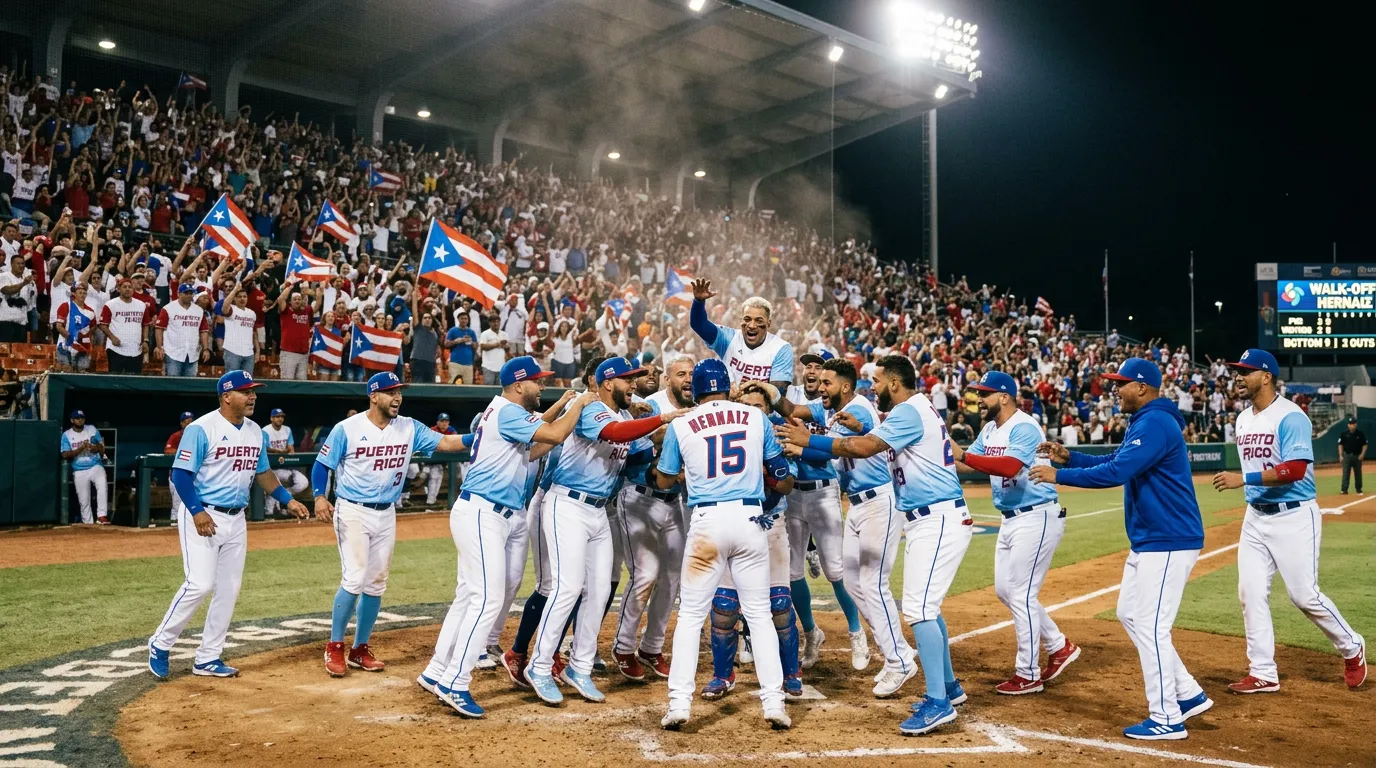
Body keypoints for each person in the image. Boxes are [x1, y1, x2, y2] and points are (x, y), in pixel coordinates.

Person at [777, 354, 970, 736]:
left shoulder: (907, 411)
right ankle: (948, 687)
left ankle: (937, 702)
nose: (874, 387)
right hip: (925, 516)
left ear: (894, 383)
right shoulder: (913, 409)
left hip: (937, 516)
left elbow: (864, 446)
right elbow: (864, 432)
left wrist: (807, 439)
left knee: (918, 609)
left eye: (878, 381)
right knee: (920, 604)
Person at [1029, 358, 1211, 741]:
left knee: (1150, 625)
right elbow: (1115, 460)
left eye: (1121, 383)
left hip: (1168, 538)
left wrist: (1059, 475)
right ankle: (1189, 693)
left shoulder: (1156, 422)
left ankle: (1167, 717)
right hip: (1152, 539)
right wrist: (1071, 458)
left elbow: (1115, 473)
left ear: (1142, 388)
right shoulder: (1145, 421)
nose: (1115, 389)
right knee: (1129, 613)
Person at [422, 357, 594, 718]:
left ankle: (437, 669)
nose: (541, 387)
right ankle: (455, 682)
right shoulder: (508, 412)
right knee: (485, 600)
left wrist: (563, 404)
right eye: (536, 382)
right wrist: (580, 402)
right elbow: (557, 435)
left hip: (483, 512)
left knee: (469, 596)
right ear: (519, 385)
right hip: (484, 513)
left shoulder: (504, 411)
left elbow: (535, 446)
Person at [526, 357, 686, 705]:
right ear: (608, 382)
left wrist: (669, 453)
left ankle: (579, 667)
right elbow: (613, 434)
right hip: (566, 504)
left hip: (600, 510)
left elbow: (641, 458)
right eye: (628, 379)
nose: (634, 385)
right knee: (566, 588)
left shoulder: (628, 416)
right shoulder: (590, 408)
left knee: (598, 592)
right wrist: (661, 418)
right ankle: (539, 666)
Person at [1211, 349, 1366, 693]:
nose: (1238, 377)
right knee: (1249, 592)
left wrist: (1245, 479)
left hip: (1294, 515)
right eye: (1237, 371)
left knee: (1304, 596)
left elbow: (1295, 470)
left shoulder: (1290, 416)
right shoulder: (1243, 418)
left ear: (1266, 376)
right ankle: (1263, 671)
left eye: (1246, 371)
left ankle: (1352, 647)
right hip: (1256, 518)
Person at [654, 358, 792, 731]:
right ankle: (774, 703)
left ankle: (680, 704)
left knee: (690, 618)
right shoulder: (755, 416)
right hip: (750, 520)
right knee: (759, 615)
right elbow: (781, 475)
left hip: (707, 523)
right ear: (726, 385)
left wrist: (684, 472)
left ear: (695, 389)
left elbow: (664, 480)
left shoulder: (681, 424)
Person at [148, 371, 309, 680]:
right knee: (200, 583)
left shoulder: (254, 432)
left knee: (229, 589)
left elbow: (262, 472)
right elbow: (180, 474)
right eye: (246, 391)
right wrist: (195, 511)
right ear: (226, 396)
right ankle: (161, 642)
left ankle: (208, 657)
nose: (253, 397)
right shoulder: (201, 428)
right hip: (203, 513)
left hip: (236, 519)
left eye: (254, 391)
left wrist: (287, 499)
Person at [312, 372, 472, 678]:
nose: (397, 397)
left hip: (386, 512)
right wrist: (319, 497)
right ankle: (334, 646)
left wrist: (477, 436)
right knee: (354, 578)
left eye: (399, 392)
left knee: (376, 583)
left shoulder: (408, 427)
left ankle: (360, 647)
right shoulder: (348, 428)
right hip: (353, 510)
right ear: (373, 396)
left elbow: (447, 442)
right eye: (390, 392)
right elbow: (323, 464)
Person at [952, 371, 1080, 695]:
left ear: (1005, 396)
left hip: (1036, 515)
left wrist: (962, 454)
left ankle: (1028, 673)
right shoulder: (991, 429)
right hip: (1011, 518)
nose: (979, 399)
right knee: (1005, 590)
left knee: (1021, 593)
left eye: (985, 393)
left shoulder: (1024, 426)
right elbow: (971, 463)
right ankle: (1059, 646)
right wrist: (943, 457)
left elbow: (1009, 467)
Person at [700, 385, 802, 699]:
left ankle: (790, 673)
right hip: (734, 524)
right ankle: (722, 674)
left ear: (768, 410)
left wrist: (765, 474)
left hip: (770, 523)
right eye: (746, 405)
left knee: (780, 606)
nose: (752, 410)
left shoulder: (778, 434)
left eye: (759, 405)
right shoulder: (723, 436)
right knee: (724, 607)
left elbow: (787, 484)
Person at [611, 357, 695, 682]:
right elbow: (626, 455)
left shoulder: (699, 408)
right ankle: (623, 646)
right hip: (639, 497)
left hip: (675, 502)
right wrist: (661, 436)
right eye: (681, 374)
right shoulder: (649, 407)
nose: (687, 379)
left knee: (674, 577)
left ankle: (651, 647)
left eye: (691, 374)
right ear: (667, 379)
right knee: (645, 575)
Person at [688, 278, 793, 390]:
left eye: (759, 320)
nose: (752, 325)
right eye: (747, 319)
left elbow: (778, 393)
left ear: (769, 323)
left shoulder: (781, 348)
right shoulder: (728, 338)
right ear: (741, 320)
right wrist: (698, 303)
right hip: (728, 405)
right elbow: (699, 324)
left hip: (761, 406)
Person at [61, 409, 107, 524]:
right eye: (77, 418)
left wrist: (94, 448)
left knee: (102, 485)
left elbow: (101, 448)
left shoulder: (91, 429)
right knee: (84, 500)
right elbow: (65, 454)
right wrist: (81, 448)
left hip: (95, 465)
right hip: (79, 469)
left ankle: (102, 516)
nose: (80, 420)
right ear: (72, 420)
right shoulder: (67, 434)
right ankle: (88, 524)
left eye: (82, 418)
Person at [155, 283, 210, 377]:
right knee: (172, 382)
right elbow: (159, 328)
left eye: (191, 293)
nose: (189, 295)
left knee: (190, 385)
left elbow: (203, 331)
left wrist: (205, 349)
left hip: (192, 353)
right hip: (173, 353)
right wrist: (159, 347)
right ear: (179, 294)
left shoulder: (199, 311)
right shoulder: (168, 308)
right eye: (186, 293)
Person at [263, 408, 308, 518]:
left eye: (282, 417)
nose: (280, 419)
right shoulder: (265, 430)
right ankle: (270, 512)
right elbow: (265, 449)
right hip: (270, 468)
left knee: (303, 482)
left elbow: (291, 448)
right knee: (274, 484)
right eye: (277, 417)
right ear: (271, 418)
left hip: (285, 467)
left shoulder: (287, 429)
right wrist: (279, 451)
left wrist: (289, 452)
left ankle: (282, 500)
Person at [99, 278, 150, 375]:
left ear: (133, 289)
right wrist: (112, 337)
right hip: (116, 349)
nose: (127, 289)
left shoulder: (141, 305)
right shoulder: (110, 305)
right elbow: (102, 324)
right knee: (115, 379)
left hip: (136, 349)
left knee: (134, 381)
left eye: (130, 287)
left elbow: (145, 324)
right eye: (124, 287)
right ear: (118, 289)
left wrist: (146, 340)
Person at [163, 411, 194, 523]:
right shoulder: (176, 436)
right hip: (176, 473)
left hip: (193, 473)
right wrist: (184, 452)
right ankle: (173, 523)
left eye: (191, 421)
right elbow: (167, 450)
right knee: (177, 501)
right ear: (182, 424)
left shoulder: (196, 436)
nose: (189, 424)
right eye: (186, 422)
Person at [444, 311, 477, 384]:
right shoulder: (452, 330)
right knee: (453, 385)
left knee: (468, 387)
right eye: (462, 318)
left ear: (468, 320)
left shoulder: (471, 332)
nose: (464, 320)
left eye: (466, 319)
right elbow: (445, 344)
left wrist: (471, 342)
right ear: (458, 319)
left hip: (468, 364)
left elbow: (475, 346)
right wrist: (456, 341)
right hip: (455, 363)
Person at [1338, 415, 1367, 495]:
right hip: (1347, 456)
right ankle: (1344, 490)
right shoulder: (1344, 434)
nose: (1352, 425)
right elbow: (1340, 445)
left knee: (1358, 474)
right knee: (1345, 473)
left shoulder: (1360, 434)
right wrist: (1340, 455)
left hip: (1357, 456)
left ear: (1356, 424)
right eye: (1350, 424)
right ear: (1348, 425)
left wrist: (1362, 454)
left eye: (1353, 424)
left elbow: (1364, 445)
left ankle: (1359, 489)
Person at [478, 312, 506, 385]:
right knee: (488, 389)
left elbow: (507, 349)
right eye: (494, 322)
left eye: (497, 322)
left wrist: (505, 346)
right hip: (488, 366)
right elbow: (483, 346)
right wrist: (497, 344)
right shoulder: (485, 334)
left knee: (499, 390)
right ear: (489, 323)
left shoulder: (504, 334)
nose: (496, 323)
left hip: (501, 366)